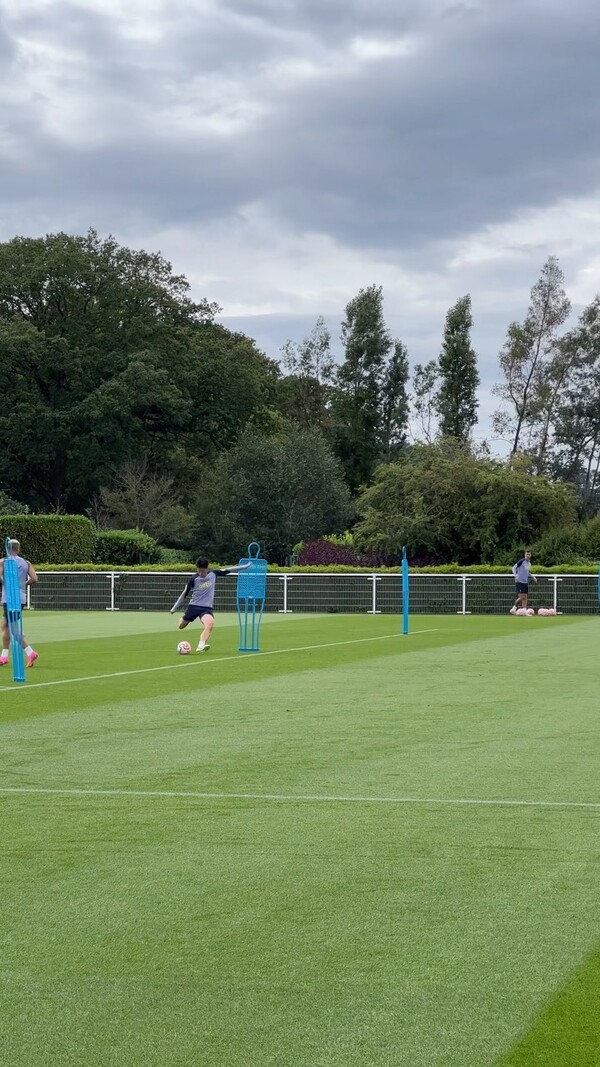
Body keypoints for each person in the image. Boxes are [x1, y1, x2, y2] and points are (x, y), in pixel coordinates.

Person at [170, 556, 251, 652]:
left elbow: (229, 569)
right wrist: (174, 608)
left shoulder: (213, 574)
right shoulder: (193, 579)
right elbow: (184, 594)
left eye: (203, 571)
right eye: (199, 570)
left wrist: (244, 567)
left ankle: (200, 646)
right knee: (181, 626)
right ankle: (183, 618)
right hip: (193, 607)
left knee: (209, 624)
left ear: (207, 569)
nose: (201, 573)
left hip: (206, 609)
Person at [0, 539, 39, 667]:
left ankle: (30, 652)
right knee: (5, 624)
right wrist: (22, 584)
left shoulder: (4, 562)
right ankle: (4, 656)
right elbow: (34, 578)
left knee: (12, 628)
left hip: (10, 598)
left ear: (8, 548)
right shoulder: (26, 562)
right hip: (20, 598)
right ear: (18, 548)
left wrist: (6, 582)